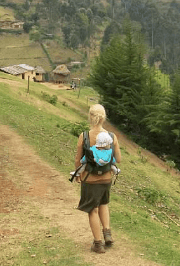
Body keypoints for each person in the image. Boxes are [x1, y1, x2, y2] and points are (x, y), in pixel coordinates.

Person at [74, 104, 122, 254]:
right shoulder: (112, 136)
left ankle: (97, 243)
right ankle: (107, 233)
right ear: (104, 117)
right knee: (104, 204)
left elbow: (78, 159)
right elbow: (118, 159)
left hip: (90, 178)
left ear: (90, 117)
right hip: (107, 178)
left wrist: (77, 174)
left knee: (92, 210)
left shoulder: (85, 136)